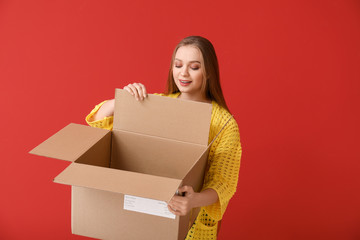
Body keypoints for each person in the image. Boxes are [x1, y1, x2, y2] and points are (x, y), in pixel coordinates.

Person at [85, 36, 242, 240]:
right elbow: (99, 121)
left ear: (209, 72)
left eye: (194, 67)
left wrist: (194, 200)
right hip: (143, 217)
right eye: (178, 65)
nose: (183, 73)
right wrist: (121, 101)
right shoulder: (154, 104)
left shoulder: (225, 123)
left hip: (191, 225)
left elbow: (223, 183)